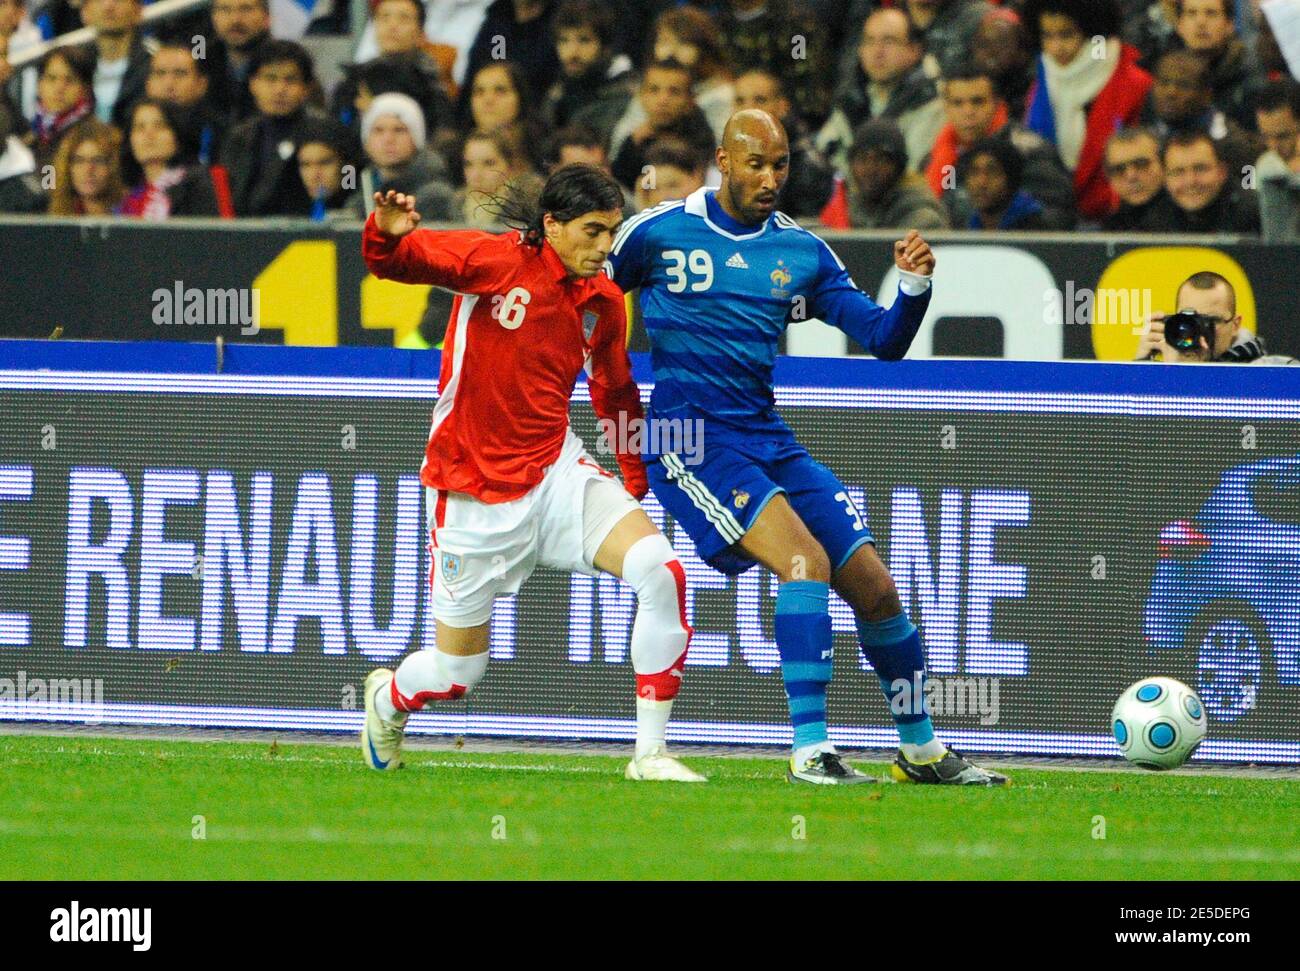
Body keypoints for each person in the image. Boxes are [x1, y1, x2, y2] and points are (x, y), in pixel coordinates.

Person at [604, 108, 1009, 786]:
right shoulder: (657, 232)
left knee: (877, 589)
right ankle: (810, 750)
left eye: (781, 164)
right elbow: (581, 290)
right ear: (724, 162)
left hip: (767, 437)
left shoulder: (800, 251)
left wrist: (912, 288)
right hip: (689, 441)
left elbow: (882, 339)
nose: (770, 177)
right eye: (756, 163)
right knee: (804, 559)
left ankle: (921, 750)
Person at [359, 164, 705, 782]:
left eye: (612, 232)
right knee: (457, 675)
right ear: (552, 226)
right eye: (593, 231)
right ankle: (388, 699)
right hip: (473, 491)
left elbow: (615, 388)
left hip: (556, 473)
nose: (605, 248)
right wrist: (384, 233)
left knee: (661, 571)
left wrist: (632, 472)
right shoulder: (492, 262)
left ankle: (648, 755)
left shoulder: (602, 299)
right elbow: (397, 262)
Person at [1022, 0, 1153, 222]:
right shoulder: (1042, 79)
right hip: (1054, 213)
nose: (1056, 47)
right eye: (1047, 36)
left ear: (1091, 31)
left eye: (1066, 35)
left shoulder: (1134, 84)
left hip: (1120, 215)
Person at [815, 8, 945, 177]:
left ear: (914, 50)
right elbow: (824, 154)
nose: (877, 51)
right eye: (869, 41)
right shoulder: (852, 97)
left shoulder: (932, 100)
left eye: (889, 41)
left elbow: (911, 172)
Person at [220, 40, 325, 216]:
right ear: (253, 84)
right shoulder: (238, 136)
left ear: (307, 88)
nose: (279, 89)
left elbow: (347, 183)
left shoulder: (325, 134)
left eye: (290, 80)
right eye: (270, 78)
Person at [1135, 271, 1298, 364]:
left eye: (1211, 321)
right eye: (1188, 319)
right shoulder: (1162, 371)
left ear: (1235, 325)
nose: (1198, 329)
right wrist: (1141, 367)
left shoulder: (1276, 370)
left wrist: (1191, 375)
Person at [820, 117, 949, 229]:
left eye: (880, 160)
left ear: (899, 166)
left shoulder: (923, 217)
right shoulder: (845, 210)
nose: (870, 169)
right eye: (862, 159)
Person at [610, 58, 714, 192]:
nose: (663, 100)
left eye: (674, 91)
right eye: (654, 90)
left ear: (690, 100)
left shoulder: (702, 143)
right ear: (641, 96)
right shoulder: (633, 144)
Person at [348, 91, 454, 220]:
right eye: (378, 130)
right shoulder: (362, 193)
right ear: (366, 143)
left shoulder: (435, 197)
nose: (388, 139)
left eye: (399, 130)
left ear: (416, 139)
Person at [116, 98, 227, 218]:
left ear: (178, 134)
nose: (149, 135)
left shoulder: (199, 185)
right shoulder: (126, 198)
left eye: (160, 126)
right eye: (139, 127)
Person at [1142, 129, 1260, 232]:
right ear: (1165, 178)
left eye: (1200, 169)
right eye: (1178, 172)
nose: (1190, 181)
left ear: (1222, 172)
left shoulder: (1256, 215)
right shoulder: (1153, 220)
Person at [78, 0, 155, 128]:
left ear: (139, 10)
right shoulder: (75, 69)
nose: (108, 5)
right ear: (84, 13)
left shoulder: (157, 67)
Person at [47, 115, 128, 214]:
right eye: (79, 160)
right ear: (67, 167)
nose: (88, 169)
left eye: (98, 160)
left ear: (113, 166)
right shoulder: (54, 218)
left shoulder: (132, 212)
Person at [1100, 126, 1170, 230]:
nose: (1131, 176)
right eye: (1119, 169)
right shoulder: (1108, 231)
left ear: (1165, 165)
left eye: (1141, 164)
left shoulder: (1188, 221)